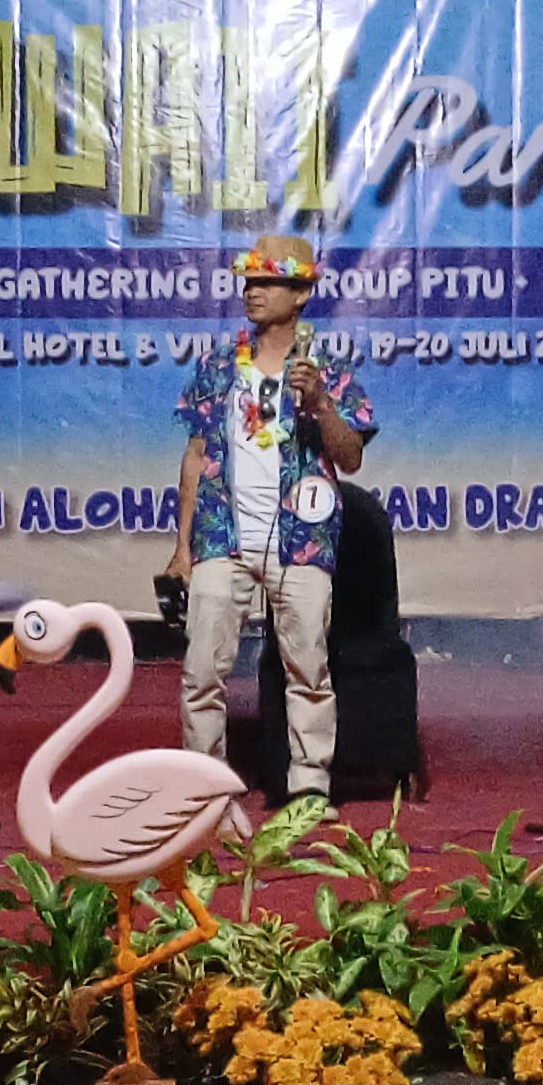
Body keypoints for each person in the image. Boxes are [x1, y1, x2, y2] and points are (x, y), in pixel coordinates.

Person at [163, 235, 378, 799]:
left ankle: (309, 789)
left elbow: (351, 458)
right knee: (202, 672)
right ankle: (203, 792)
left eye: (268, 282)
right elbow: (195, 457)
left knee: (308, 670)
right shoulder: (217, 367)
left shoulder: (327, 369)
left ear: (301, 293)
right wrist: (183, 548)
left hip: (300, 540)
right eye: (249, 281)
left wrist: (321, 405)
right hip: (222, 538)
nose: (252, 291)